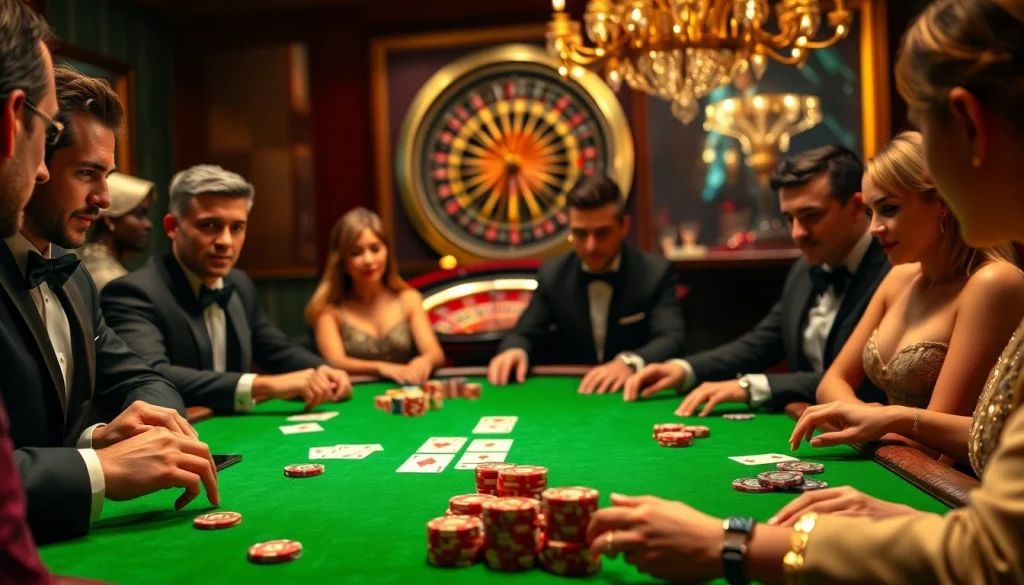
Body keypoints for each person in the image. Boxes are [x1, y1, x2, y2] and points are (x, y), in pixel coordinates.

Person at [586, 2, 1024, 583]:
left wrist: (734, 542)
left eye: (923, 126)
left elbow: (995, 557)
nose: (876, 228)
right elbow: (1001, 537)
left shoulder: (994, 281)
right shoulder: (878, 274)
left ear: (968, 123)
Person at [1, 65, 218, 546]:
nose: (103, 199)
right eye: (85, 174)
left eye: (107, 176)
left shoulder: (75, 277)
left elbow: (144, 379)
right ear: (36, 161)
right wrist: (97, 468)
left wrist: (127, 431)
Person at [785, 132, 1024, 463]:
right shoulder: (899, 278)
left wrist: (884, 418)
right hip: (895, 461)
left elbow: (935, 445)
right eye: (871, 212)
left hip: (952, 483)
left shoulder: (993, 283)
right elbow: (831, 382)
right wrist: (866, 417)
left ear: (942, 202)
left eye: (889, 209)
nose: (874, 228)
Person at [624, 145, 891, 414]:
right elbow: (759, 344)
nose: (797, 233)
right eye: (789, 218)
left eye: (812, 216)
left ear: (857, 207)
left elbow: (866, 382)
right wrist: (684, 369)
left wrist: (752, 386)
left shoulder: (892, 270)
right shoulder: (804, 269)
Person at [101, 164, 352, 415]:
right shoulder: (132, 293)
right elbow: (152, 375)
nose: (225, 241)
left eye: (237, 227)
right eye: (210, 225)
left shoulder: (238, 283)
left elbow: (276, 348)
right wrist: (263, 384)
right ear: (172, 227)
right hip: (177, 437)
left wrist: (322, 369)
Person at [486, 175, 685, 394]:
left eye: (602, 233)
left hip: (636, 392)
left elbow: (671, 338)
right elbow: (524, 332)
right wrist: (515, 349)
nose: (591, 246)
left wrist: (629, 362)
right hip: (577, 395)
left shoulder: (654, 273)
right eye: (580, 233)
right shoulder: (554, 274)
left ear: (623, 226)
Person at [0, 1, 57, 580]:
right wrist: (99, 468)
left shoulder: (74, 272)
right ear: (13, 119)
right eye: (50, 130)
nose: (42, 172)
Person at [306, 207, 444, 385]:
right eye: (356, 252)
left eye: (375, 248)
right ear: (342, 260)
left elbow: (435, 353)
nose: (368, 260)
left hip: (406, 394)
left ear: (387, 251)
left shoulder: (409, 299)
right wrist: (381, 368)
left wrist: (424, 361)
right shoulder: (329, 310)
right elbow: (336, 361)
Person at [78, 172, 154, 290]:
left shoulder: (86, 264)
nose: (148, 224)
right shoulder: (110, 279)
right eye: (139, 214)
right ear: (110, 221)